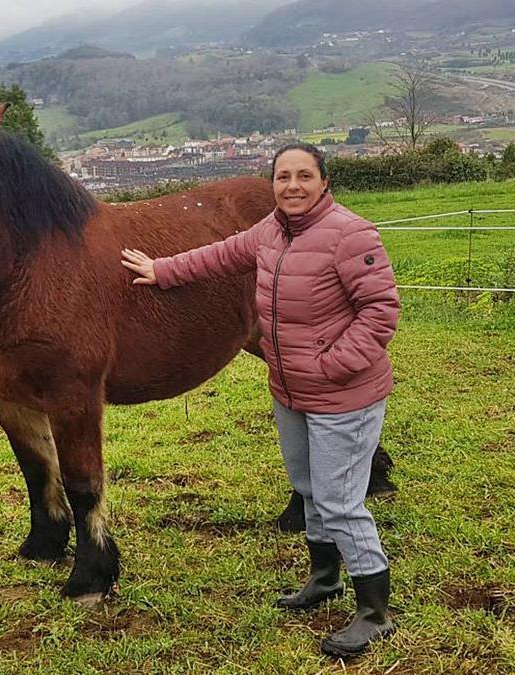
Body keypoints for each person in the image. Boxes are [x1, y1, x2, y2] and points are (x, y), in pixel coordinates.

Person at [121, 144, 400, 658]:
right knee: (309, 486)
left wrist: (332, 366)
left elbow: (381, 312)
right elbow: (217, 256)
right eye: (282, 177)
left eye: (304, 176)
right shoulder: (270, 230)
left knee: (340, 501)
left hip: (343, 393)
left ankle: (374, 611)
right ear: (272, 184)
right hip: (291, 389)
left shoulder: (350, 233)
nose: (292, 186)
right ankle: (323, 578)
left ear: (323, 180)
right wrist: (162, 270)